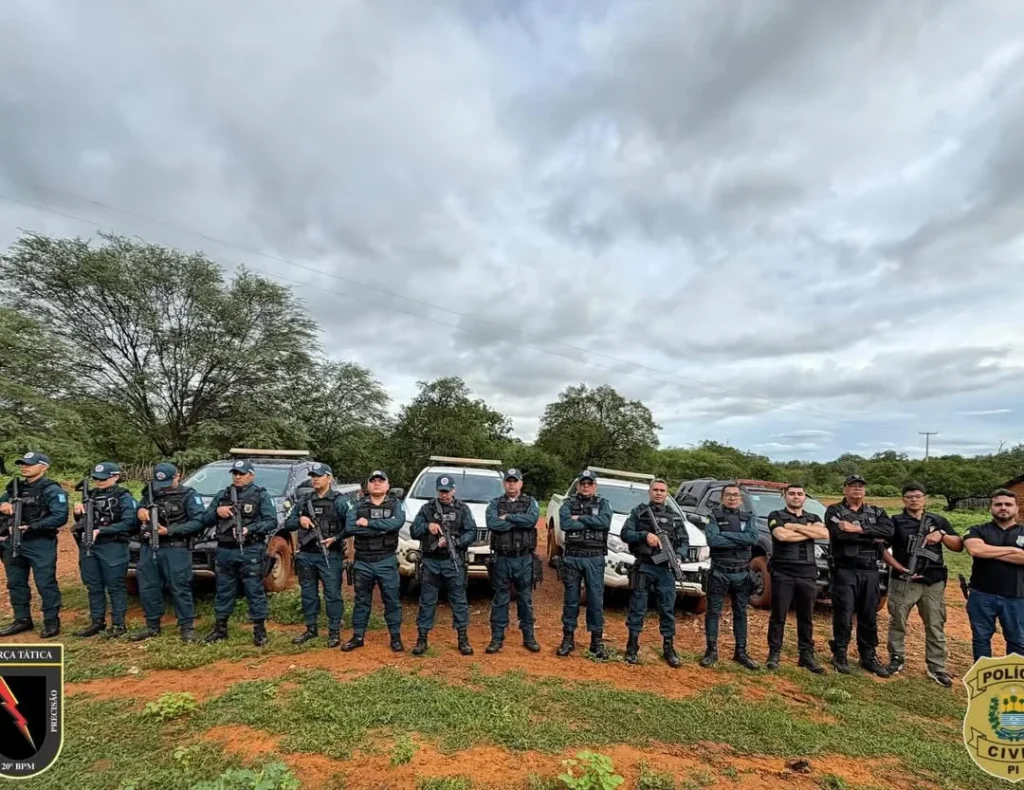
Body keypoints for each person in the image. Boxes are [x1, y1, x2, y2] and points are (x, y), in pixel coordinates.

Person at [883, 482, 962, 686]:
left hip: (933, 580)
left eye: (918, 496)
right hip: (904, 580)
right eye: (909, 497)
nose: (914, 500)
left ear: (924, 498)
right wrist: (898, 567)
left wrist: (941, 534)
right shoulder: (896, 521)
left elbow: (958, 546)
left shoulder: (938, 520)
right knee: (898, 621)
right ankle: (896, 658)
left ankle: (937, 667)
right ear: (903, 499)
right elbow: (881, 548)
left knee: (935, 623)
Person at [201, 459, 277, 646]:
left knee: (254, 590)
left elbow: (271, 522)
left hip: (250, 549)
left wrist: (250, 529)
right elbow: (205, 519)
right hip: (225, 550)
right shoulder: (223, 495)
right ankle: (220, 629)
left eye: (241, 473)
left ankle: (259, 630)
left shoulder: (260, 495)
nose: (237, 477)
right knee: (223, 590)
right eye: (234, 473)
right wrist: (217, 511)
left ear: (251, 475)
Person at [824, 474, 894, 676]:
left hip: (870, 570)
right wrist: (873, 536)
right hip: (845, 570)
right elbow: (840, 535)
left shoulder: (877, 511)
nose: (857, 489)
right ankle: (839, 653)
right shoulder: (834, 510)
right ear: (844, 489)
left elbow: (888, 532)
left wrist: (857, 529)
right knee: (844, 613)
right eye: (852, 485)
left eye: (861, 486)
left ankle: (868, 655)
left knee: (868, 615)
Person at [130, 463, 205, 643]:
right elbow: (135, 516)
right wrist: (140, 511)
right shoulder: (150, 493)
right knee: (148, 586)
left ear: (177, 477)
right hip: (150, 547)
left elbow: (198, 522)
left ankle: (186, 627)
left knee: (180, 586)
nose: (161, 488)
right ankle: (152, 626)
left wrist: (169, 530)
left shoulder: (188, 495)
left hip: (175, 547)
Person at [620, 478, 689, 667]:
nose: (659, 493)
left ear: (666, 494)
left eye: (662, 490)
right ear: (649, 492)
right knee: (638, 607)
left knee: (667, 609)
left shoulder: (674, 517)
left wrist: (679, 556)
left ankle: (669, 648)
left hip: (666, 570)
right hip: (645, 566)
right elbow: (625, 533)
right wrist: (644, 535)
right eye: (655, 490)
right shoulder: (639, 512)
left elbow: (684, 541)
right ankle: (632, 647)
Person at [284, 462, 352, 649]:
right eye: (312, 476)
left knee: (332, 594)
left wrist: (335, 538)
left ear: (329, 478)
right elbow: (288, 523)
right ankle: (311, 629)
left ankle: (334, 631)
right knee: (308, 593)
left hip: (330, 554)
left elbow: (352, 526)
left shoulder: (339, 501)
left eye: (318, 476)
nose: (314, 479)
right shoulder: (304, 500)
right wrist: (300, 518)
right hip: (307, 555)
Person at [0, 452, 68, 638]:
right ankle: (22, 619)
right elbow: (2, 501)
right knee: (15, 583)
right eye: (22, 464)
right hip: (14, 542)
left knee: (45, 583)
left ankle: (51, 621)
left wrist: (32, 526)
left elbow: (60, 517)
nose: (24, 467)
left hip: (40, 542)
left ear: (44, 467)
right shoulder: (16, 488)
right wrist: (3, 505)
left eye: (29, 464)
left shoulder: (52, 490)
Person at [410, 474, 477, 656]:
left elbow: (472, 532)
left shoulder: (462, 509)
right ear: (437, 491)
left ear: (453, 490)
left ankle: (463, 639)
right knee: (427, 601)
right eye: (441, 491)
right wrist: (428, 526)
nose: (444, 495)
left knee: (459, 601)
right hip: (431, 562)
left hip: (453, 561)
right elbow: (414, 530)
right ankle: (422, 639)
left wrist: (455, 542)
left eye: (447, 491)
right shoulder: (427, 508)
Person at [765, 483, 828, 674]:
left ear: (804, 497)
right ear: (785, 496)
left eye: (800, 494)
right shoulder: (775, 515)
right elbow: (781, 536)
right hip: (783, 571)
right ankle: (774, 654)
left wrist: (794, 527)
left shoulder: (814, 517)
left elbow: (824, 534)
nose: (796, 496)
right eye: (791, 493)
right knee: (779, 615)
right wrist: (807, 531)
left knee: (806, 616)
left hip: (807, 572)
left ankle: (806, 655)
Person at [71, 461, 139, 638]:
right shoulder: (90, 495)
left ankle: (118, 624)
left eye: (103, 478)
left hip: (113, 545)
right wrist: (78, 513)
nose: (98, 482)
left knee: (115, 585)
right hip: (90, 546)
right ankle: (97, 622)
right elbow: (82, 523)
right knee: (93, 585)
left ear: (115, 477)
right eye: (95, 478)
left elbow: (130, 522)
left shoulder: (123, 496)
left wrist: (102, 530)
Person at [342, 470, 405, 653]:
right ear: (367, 485)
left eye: (380, 480)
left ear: (388, 485)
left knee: (392, 601)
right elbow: (350, 528)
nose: (377, 483)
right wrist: (382, 528)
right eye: (373, 481)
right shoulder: (357, 505)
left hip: (386, 560)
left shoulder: (395, 505)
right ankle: (358, 637)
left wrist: (368, 523)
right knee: (361, 601)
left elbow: (397, 524)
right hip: (363, 562)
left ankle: (395, 637)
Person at [700, 483, 760, 670]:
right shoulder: (713, 517)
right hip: (719, 572)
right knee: (713, 611)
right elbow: (713, 540)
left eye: (735, 495)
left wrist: (725, 534)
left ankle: (740, 652)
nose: (732, 498)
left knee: (740, 612)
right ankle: (711, 651)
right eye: (728, 495)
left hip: (742, 574)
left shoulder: (748, 517)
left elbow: (752, 538)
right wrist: (739, 538)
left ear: (741, 499)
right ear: (722, 498)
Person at [556, 470, 612, 659]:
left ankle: (596, 642)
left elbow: (604, 522)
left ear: (595, 486)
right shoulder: (567, 503)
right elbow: (566, 524)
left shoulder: (603, 503)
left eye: (590, 484)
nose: (586, 487)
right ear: (578, 485)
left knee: (595, 600)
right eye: (583, 483)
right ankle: (568, 639)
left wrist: (580, 518)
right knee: (571, 600)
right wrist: (591, 522)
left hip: (595, 557)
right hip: (573, 557)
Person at [484, 468, 541, 654]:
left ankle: (529, 637)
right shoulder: (495, 503)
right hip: (502, 558)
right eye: (508, 481)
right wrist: (518, 522)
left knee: (525, 599)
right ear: (504, 484)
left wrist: (508, 517)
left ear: (520, 483)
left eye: (514, 481)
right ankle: (496, 639)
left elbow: (531, 521)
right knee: (500, 599)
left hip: (524, 558)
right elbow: (492, 523)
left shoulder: (530, 502)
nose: (511, 484)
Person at [963, 489, 1024, 662]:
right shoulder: (976, 530)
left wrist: (989, 552)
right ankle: (983, 674)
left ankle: (1015, 675)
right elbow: (975, 550)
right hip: (982, 594)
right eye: (998, 504)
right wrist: (1014, 551)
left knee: (1018, 640)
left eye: (1008, 504)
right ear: (990, 508)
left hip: (1017, 596)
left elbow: (982, 551)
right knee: (981, 639)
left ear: (1016, 509)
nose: (1003, 507)